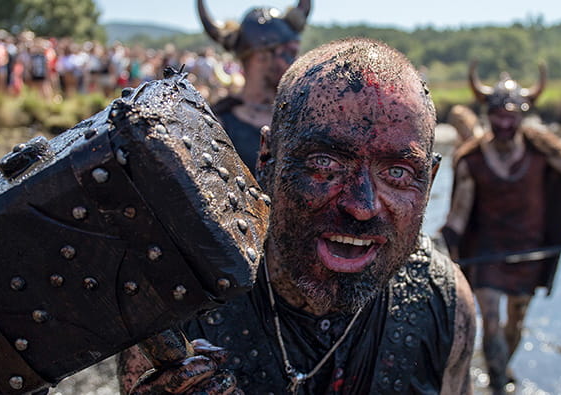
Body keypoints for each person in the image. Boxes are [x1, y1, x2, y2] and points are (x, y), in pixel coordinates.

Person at [117, 38, 476, 395]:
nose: (362, 206)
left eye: (397, 172)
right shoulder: (179, 301)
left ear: (429, 182)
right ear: (267, 159)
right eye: (325, 163)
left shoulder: (442, 301)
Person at [441, 62, 561, 394]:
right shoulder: (472, 159)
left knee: (516, 321)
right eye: (498, 117)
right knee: (489, 319)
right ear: (488, 115)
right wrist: (445, 246)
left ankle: (498, 372)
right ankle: (500, 381)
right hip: (486, 251)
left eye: (511, 117)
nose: (505, 124)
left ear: (521, 117)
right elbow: (459, 213)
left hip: (529, 250)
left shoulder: (540, 148)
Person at [196, 0, 311, 175]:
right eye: (290, 54)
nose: (296, 64)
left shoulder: (303, 115)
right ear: (261, 57)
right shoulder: (218, 125)